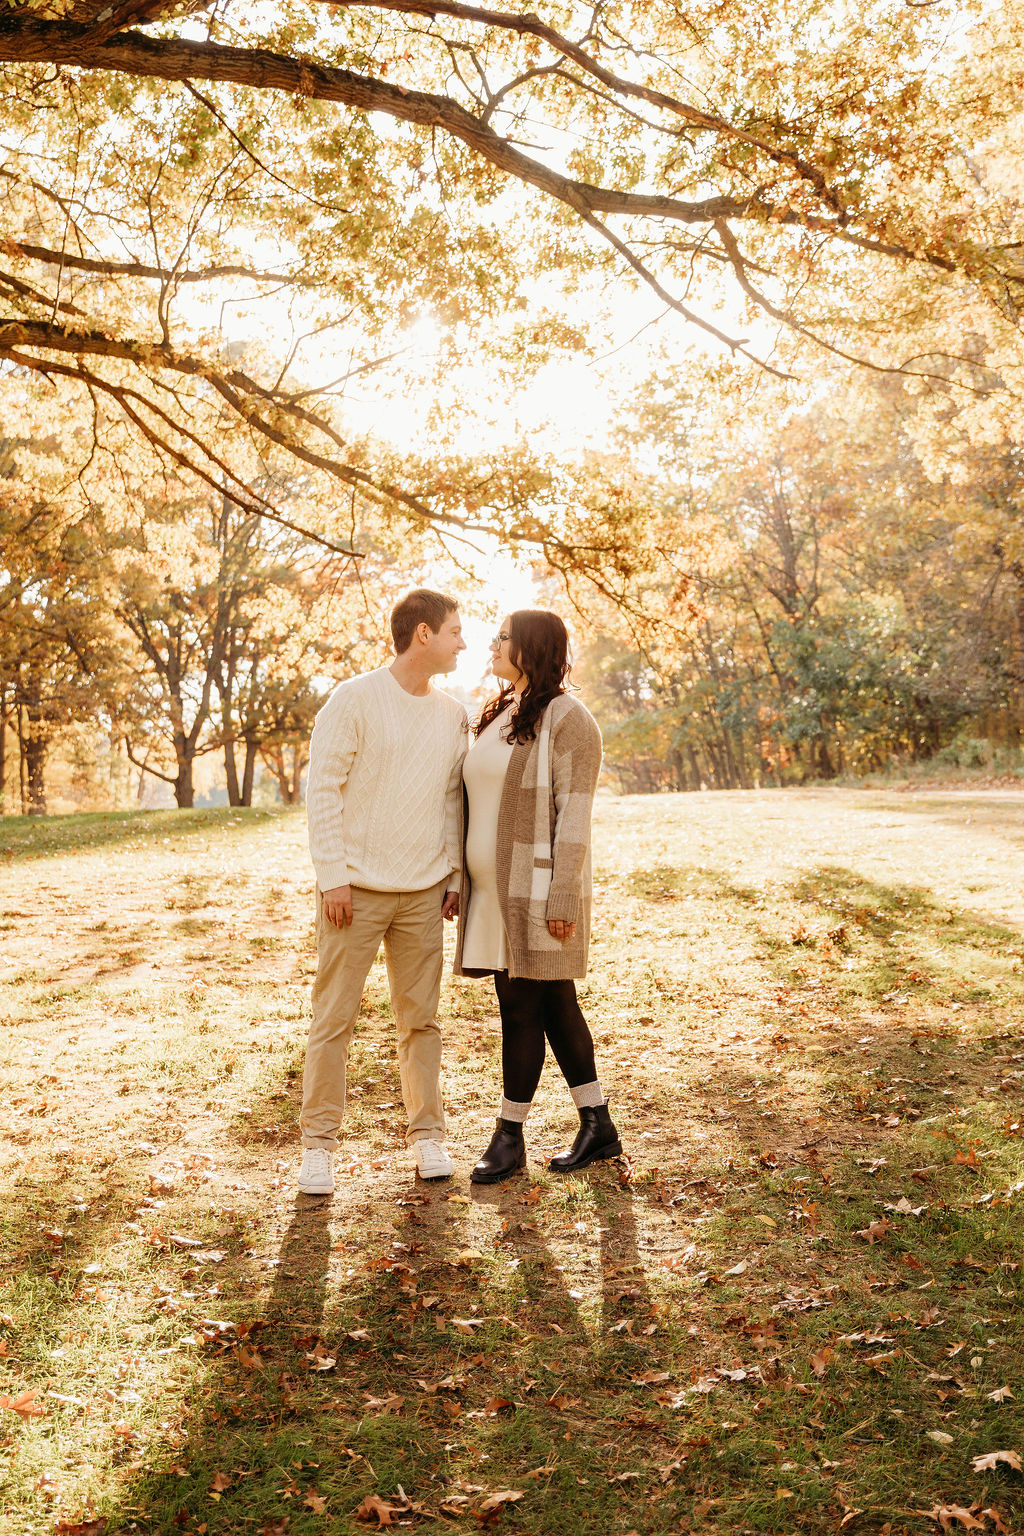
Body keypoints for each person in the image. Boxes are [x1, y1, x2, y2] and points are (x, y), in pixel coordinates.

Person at [298, 588, 469, 1194]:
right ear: (423, 634)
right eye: (453, 631)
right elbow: (322, 790)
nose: (462, 643)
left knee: (420, 1021)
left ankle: (428, 1138)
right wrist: (333, 877)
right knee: (334, 1019)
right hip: (356, 892)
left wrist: (450, 872)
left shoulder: (452, 714)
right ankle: (318, 1147)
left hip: (423, 893)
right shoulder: (353, 698)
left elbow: (451, 797)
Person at [455, 609, 622, 1183]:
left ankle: (509, 1135)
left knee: (524, 1005)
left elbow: (574, 817)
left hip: (535, 890)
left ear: (533, 647)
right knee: (552, 1004)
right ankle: (597, 1124)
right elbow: (471, 806)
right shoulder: (500, 712)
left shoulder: (568, 717)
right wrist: (460, 879)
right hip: (490, 893)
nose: (494, 645)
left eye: (505, 637)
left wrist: (563, 898)